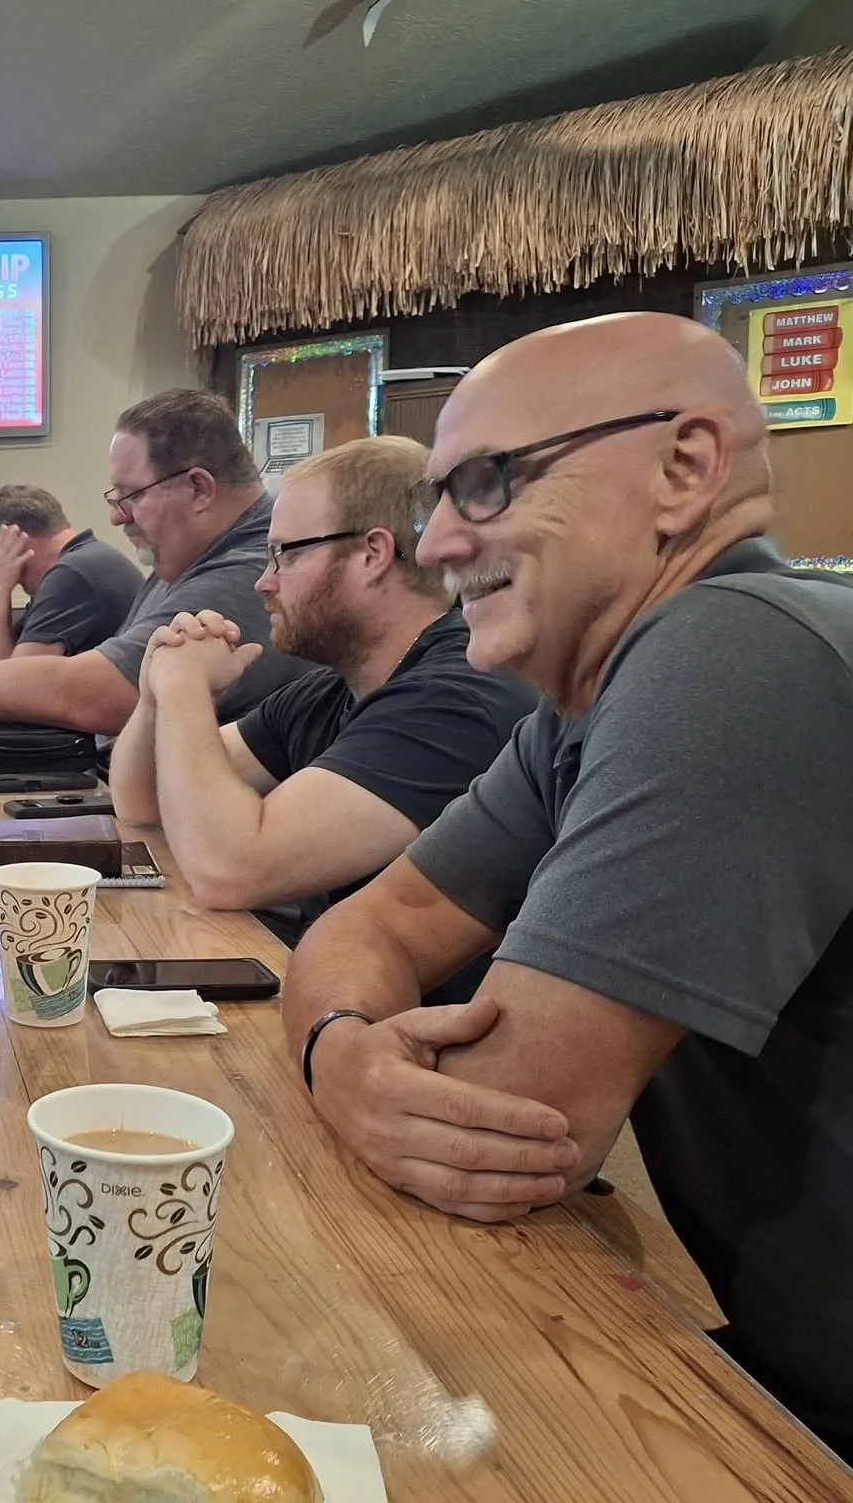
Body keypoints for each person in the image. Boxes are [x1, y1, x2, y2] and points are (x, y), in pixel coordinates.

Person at [284, 312, 853, 1459]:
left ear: (682, 468)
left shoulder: (734, 654)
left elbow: (507, 1124)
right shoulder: (582, 707)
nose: (437, 540)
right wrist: (338, 1052)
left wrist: (347, 1060)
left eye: (486, 482)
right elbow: (370, 928)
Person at [109, 436, 533, 971]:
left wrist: (185, 688)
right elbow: (140, 802)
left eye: (286, 554)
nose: (264, 582)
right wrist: (155, 695)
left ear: (372, 554)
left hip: (409, 1021)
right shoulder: (334, 689)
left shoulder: (456, 702)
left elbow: (231, 868)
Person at [0, 390, 313, 749]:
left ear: (198, 488)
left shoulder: (250, 570)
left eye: (132, 495)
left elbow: (98, 694)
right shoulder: (186, 560)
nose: (117, 517)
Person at [0, 483, 144, 663]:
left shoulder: (72, 574)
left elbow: (6, 676)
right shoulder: (89, 561)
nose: (16, 579)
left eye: (2, 559)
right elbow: (4, 670)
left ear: (17, 542)